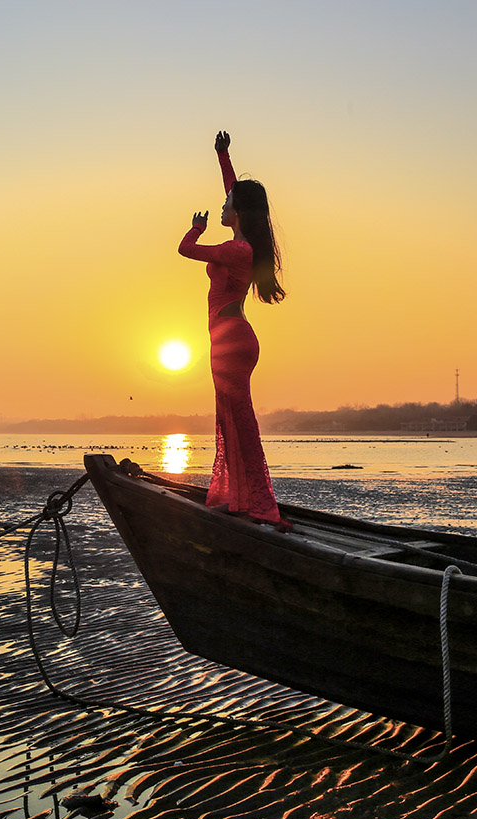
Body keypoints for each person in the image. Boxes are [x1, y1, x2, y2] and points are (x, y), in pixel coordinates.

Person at [177, 130, 290, 531]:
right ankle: (242, 498)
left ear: (237, 212)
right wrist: (224, 156)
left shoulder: (236, 249)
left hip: (231, 342)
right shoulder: (242, 244)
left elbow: (185, 250)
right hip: (230, 339)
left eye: (227, 204)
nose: (221, 205)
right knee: (230, 419)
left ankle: (258, 504)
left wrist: (195, 229)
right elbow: (233, 190)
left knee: (239, 421)